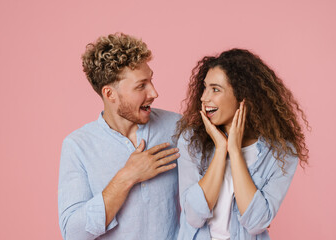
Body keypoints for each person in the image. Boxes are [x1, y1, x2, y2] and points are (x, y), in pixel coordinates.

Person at [175, 49, 309, 240]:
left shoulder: (281, 153)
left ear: (242, 96)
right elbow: (194, 216)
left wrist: (235, 152)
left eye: (215, 89)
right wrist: (221, 149)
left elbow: (256, 223)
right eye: (204, 87)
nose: (204, 98)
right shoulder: (190, 141)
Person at [58, 33, 181, 240]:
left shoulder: (177, 127)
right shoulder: (78, 146)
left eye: (151, 80)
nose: (154, 93)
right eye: (141, 85)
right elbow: (74, 233)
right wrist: (128, 176)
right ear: (109, 94)